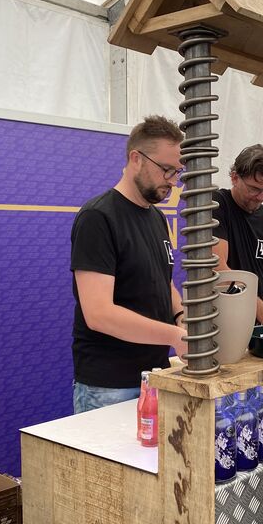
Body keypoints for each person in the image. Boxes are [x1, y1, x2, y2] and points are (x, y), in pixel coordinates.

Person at [71, 115, 188, 413]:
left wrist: (181, 316)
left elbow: (162, 282)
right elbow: (99, 314)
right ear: (136, 159)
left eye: (177, 172)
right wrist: (174, 336)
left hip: (154, 377)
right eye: (166, 169)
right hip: (108, 386)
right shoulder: (98, 217)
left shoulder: (157, 218)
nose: (172, 181)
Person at [212, 145, 263, 324]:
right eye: (254, 189)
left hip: (258, 323)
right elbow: (219, 270)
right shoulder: (216, 205)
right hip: (225, 321)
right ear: (234, 178)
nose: (261, 197)